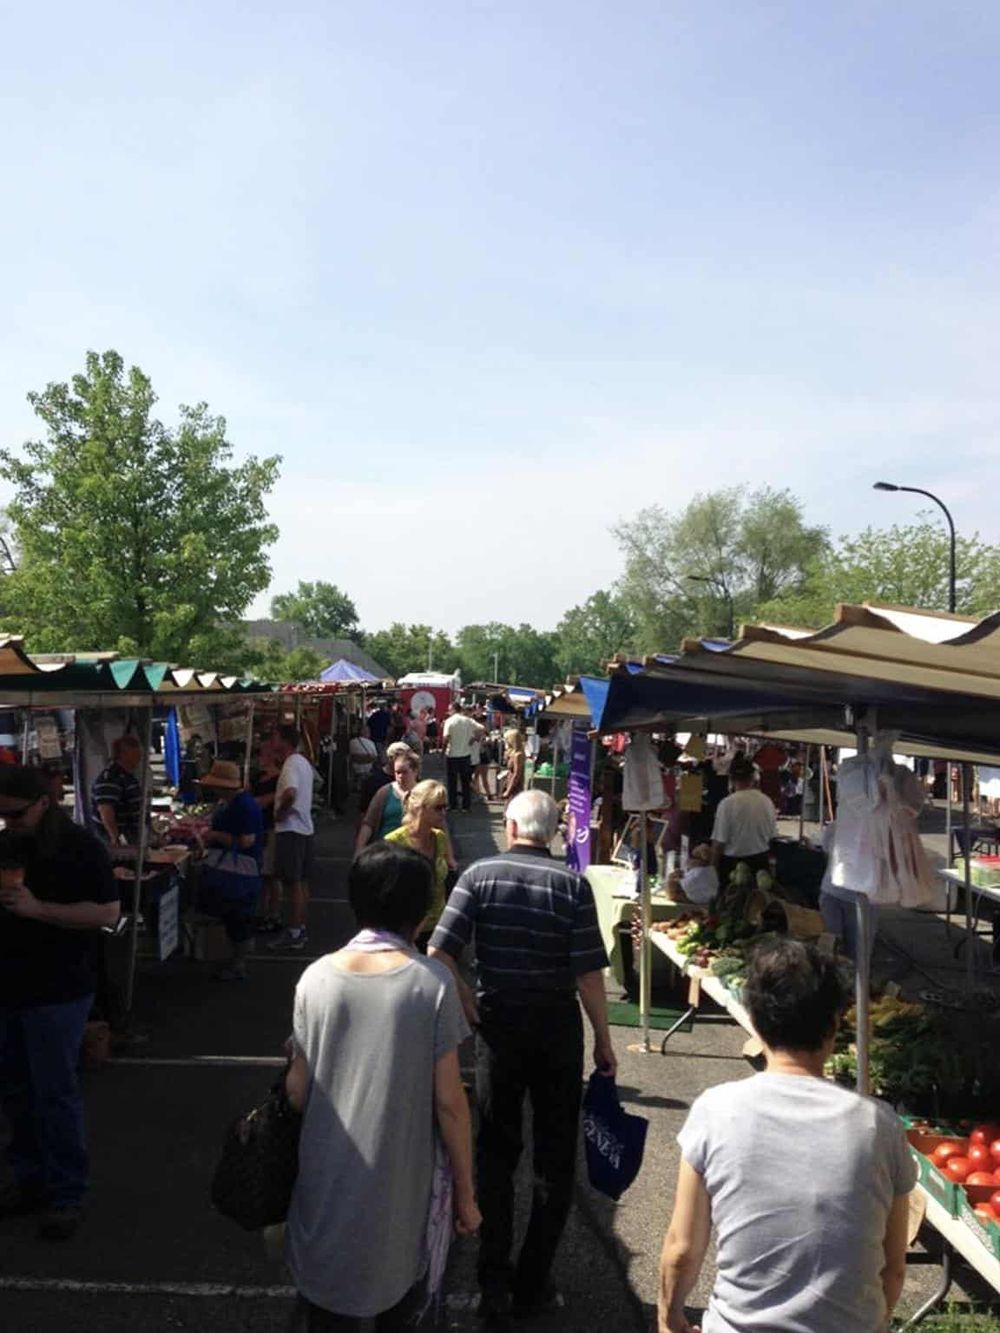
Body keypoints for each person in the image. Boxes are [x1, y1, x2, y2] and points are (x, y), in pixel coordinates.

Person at [657, 937, 914, 1333]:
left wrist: (670, 1317)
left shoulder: (715, 1110)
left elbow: (682, 1251)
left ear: (755, 1022)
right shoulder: (880, 1125)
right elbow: (892, 1269)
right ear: (834, 1026)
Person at [429, 789, 615, 1323]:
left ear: (510, 827)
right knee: (554, 1160)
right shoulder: (572, 885)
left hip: (499, 1026)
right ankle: (533, 1281)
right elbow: (588, 975)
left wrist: (467, 1000)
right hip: (557, 1029)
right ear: (553, 832)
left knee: (497, 1151)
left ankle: (492, 1279)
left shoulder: (479, 877)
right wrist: (603, 1038)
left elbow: (439, 951)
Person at [285, 843, 480, 1331]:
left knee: (328, 1305)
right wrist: (466, 1193)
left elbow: (296, 1091)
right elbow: (450, 1103)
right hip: (400, 1184)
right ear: (418, 910)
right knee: (397, 1304)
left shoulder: (315, 979)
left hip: (325, 1173)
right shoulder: (431, 984)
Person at [0, 765, 120, 1241]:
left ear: (43, 803)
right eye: (1, 815)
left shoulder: (80, 846)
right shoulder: (7, 841)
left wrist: (38, 910)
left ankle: (66, 1191)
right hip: (9, 985)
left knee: (53, 1090)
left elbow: (109, 913)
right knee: (15, 1089)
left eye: (16, 814)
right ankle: (29, 1179)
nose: (8, 822)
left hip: (60, 988)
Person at [196, 760, 264, 980]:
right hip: (242, 870)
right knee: (237, 917)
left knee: (238, 917)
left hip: (238, 871)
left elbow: (246, 840)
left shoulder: (242, 806)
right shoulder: (238, 802)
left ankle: (238, 963)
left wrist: (214, 835)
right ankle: (236, 960)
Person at [385, 780, 457, 951]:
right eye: (438, 808)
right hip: (405, 929)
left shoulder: (439, 838)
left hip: (438, 925)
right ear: (420, 808)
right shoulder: (394, 842)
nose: (444, 813)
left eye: (445, 807)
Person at [267, 727, 315, 952]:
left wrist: (279, 814)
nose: (271, 739)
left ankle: (294, 931)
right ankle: (300, 927)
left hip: (291, 829)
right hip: (304, 829)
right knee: (300, 881)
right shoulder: (302, 762)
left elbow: (290, 793)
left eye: (275, 735)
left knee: (291, 882)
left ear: (284, 740)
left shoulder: (292, 764)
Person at [710, 752, 777, 889]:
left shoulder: (727, 804)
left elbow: (719, 843)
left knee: (732, 905)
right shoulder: (766, 801)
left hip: (733, 865)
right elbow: (771, 835)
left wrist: (712, 868)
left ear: (731, 779)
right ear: (753, 778)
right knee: (756, 906)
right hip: (760, 862)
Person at [355, 749, 420, 850]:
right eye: (397, 772)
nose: (400, 776)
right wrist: (359, 849)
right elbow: (368, 822)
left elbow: (439, 824)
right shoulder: (385, 792)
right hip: (386, 849)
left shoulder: (425, 792)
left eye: (404, 772)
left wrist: (448, 856)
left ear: (415, 771)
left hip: (414, 850)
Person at [91, 733, 145, 845]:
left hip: (131, 834)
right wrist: (115, 837)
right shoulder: (111, 777)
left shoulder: (128, 776)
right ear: (124, 754)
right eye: (135, 752)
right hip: (116, 839)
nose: (140, 755)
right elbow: (105, 809)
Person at [252, 747, 282, 934]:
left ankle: (274, 914)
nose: (259, 758)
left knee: (271, 875)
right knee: (262, 875)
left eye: (262, 753)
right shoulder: (257, 776)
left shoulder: (279, 779)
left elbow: (269, 801)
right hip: (259, 828)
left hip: (271, 828)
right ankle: (262, 912)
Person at [442, 702, 484, 814]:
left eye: (449, 710)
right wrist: (474, 739)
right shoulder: (468, 720)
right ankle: (466, 806)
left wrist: (442, 751)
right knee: (466, 781)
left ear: (453, 709)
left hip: (452, 755)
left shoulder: (449, 721)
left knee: (452, 781)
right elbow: (481, 728)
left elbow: (446, 738)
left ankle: (453, 805)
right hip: (466, 755)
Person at [501, 728, 526, 802]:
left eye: (507, 739)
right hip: (509, 782)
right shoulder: (512, 753)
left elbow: (516, 774)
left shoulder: (518, 755)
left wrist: (508, 790)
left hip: (515, 786)